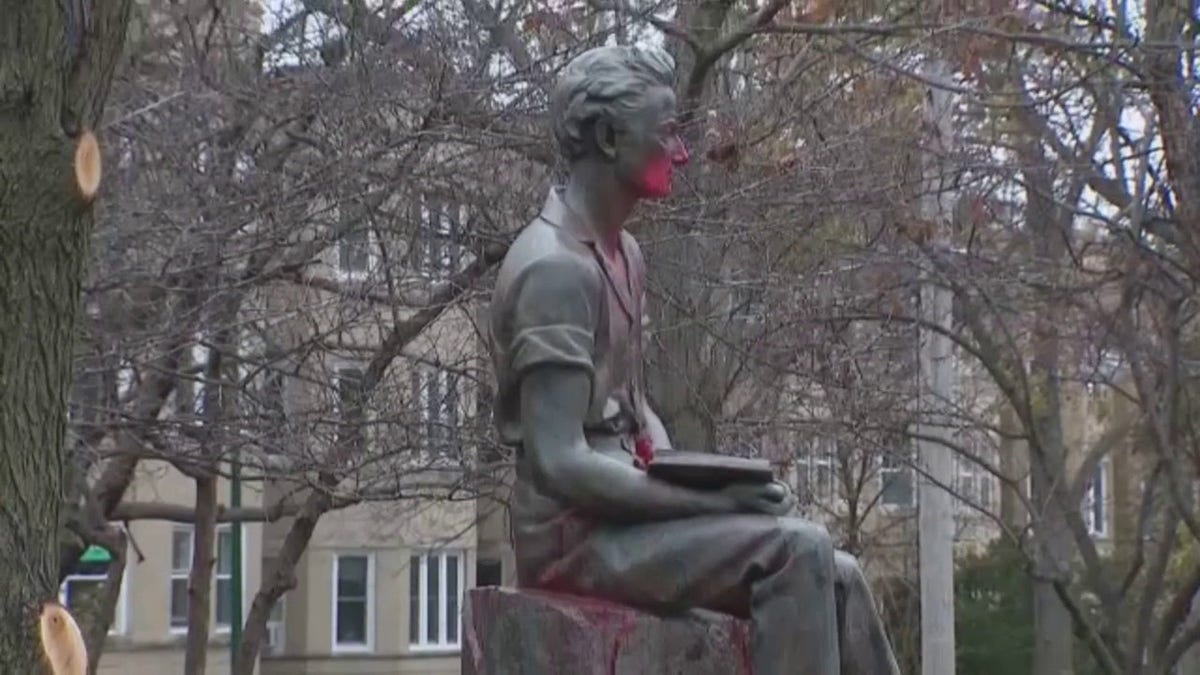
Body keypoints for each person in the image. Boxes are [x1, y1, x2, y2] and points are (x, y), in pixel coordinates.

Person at [486, 44, 901, 674]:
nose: (680, 152)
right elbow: (560, 461)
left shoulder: (624, 254)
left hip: (620, 519)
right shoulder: (554, 270)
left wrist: (708, 480)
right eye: (666, 134)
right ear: (606, 136)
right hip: (575, 540)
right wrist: (712, 506)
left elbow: (637, 410)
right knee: (795, 551)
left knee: (834, 573)